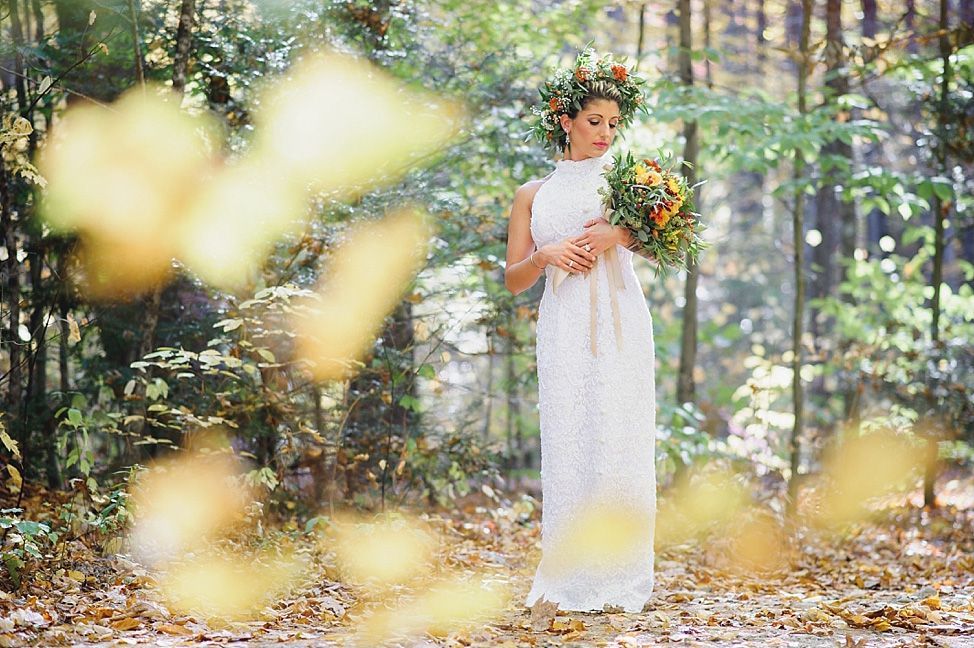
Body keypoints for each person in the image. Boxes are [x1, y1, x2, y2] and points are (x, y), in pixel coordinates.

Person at [505, 49, 657, 614]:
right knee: (570, 438)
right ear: (565, 121)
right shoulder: (531, 195)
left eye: (613, 124)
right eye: (595, 122)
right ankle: (567, 573)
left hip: (620, 323)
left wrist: (618, 235)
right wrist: (545, 254)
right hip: (564, 326)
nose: (605, 134)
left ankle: (621, 575)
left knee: (618, 437)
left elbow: (667, 240)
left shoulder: (627, 180)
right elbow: (514, 280)